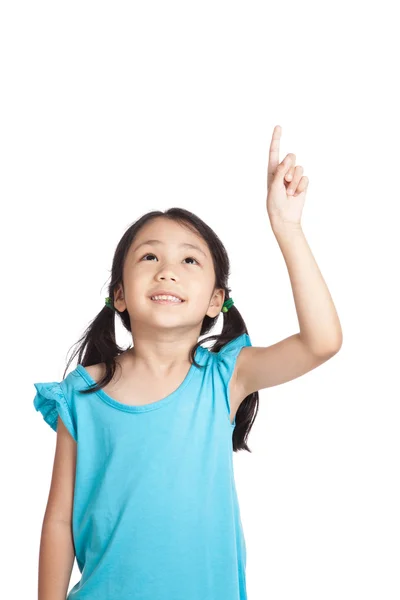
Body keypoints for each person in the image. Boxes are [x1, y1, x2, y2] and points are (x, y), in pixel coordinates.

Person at [33, 126, 342, 600]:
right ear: (119, 293)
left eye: (190, 261)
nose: (167, 270)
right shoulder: (80, 393)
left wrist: (288, 229)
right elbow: (58, 520)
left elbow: (322, 342)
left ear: (215, 301)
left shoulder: (225, 377)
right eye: (149, 256)